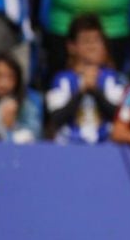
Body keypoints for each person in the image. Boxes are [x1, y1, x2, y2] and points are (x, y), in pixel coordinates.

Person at [46, 15, 125, 145]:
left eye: (97, 41)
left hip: (107, 149)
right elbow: (56, 120)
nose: (92, 46)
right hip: (69, 149)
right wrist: (81, 92)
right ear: (72, 47)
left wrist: (95, 92)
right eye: (86, 41)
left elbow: (119, 118)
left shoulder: (114, 78)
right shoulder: (61, 80)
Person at [0, 53, 40, 143]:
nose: (4, 84)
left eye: (10, 77)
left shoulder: (27, 106)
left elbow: (34, 139)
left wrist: (10, 128)